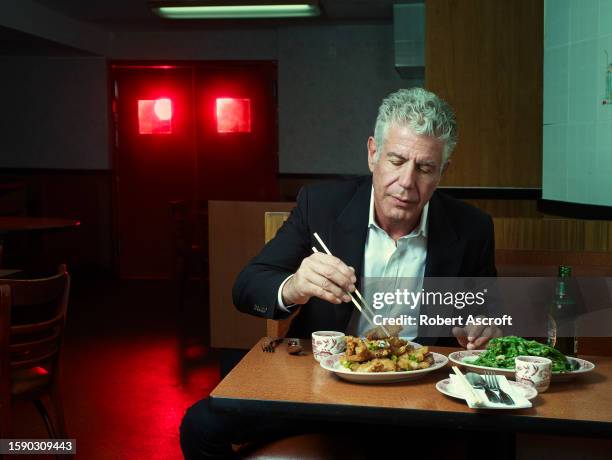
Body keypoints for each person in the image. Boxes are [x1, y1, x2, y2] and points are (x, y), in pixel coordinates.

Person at [180, 87, 501, 459]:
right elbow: (247, 286)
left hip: (422, 393)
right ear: (373, 154)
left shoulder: (473, 227)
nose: (407, 182)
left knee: (498, 436)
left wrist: (484, 326)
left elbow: (488, 311)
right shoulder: (320, 205)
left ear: (443, 172)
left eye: (425, 168)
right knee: (200, 428)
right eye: (396, 160)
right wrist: (295, 285)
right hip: (324, 384)